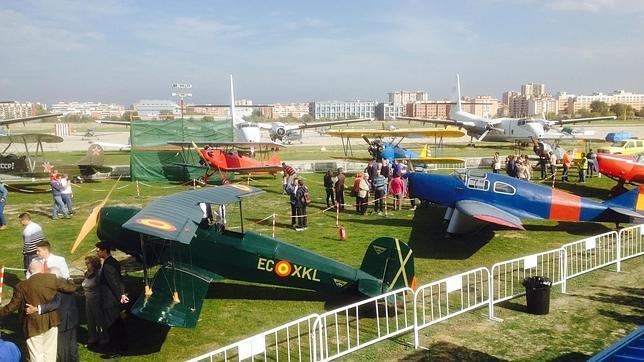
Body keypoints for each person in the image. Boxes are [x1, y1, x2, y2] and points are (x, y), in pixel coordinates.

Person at [0, 259, 76, 362]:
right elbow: (71, 288)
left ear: (29, 270)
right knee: (50, 353)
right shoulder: (52, 279)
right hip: (51, 321)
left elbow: (12, 306)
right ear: (41, 269)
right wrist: (70, 279)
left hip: (32, 324)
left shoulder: (22, 286)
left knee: (36, 354)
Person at [26, 266, 79, 362]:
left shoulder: (56, 286)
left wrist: (37, 309)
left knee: (62, 347)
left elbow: (55, 304)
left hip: (62, 318)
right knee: (72, 344)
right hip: (72, 316)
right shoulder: (67, 282)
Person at [96, 241, 129, 359]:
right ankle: (123, 346)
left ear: (104, 250)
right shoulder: (113, 261)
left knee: (111, 326)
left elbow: (113, 283)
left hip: (110, 301)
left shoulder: (108, 265)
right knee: (118, 324)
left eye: (98, 250)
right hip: (115, 300)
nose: (97, 252)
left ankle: (115, 349)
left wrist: (120, 295)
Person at [82, 255, 107, 348]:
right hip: (87, 299)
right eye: (85, 263)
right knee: (89, 319)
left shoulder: (98, 274)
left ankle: (104, 338)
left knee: (99, 319)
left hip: (96, 299)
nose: (86, 265)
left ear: (93, 263)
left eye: (88, 263)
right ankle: (93, 337)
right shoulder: (86, 273)